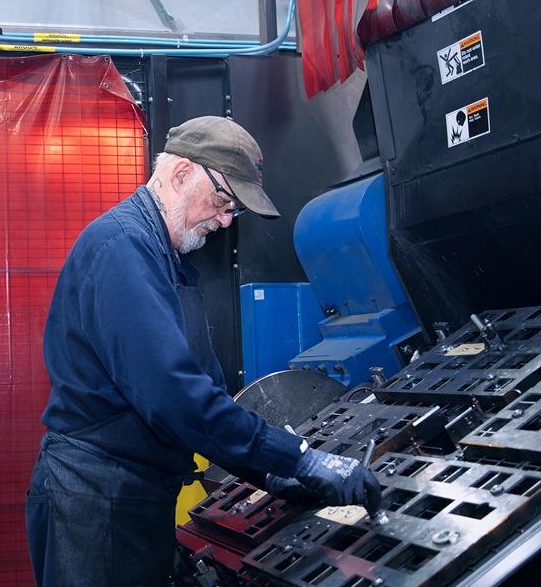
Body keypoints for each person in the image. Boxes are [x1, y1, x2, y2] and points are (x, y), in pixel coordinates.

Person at [26, 116, 381, 587]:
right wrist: (298, 458)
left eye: (235, 209)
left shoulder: (172, 265)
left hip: (134, 496)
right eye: (223, 200)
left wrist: (270, 474)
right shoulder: (123, 248)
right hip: (96, 501)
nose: (226, 219)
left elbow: (208, 393)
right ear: (179, 174)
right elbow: (176, 397)